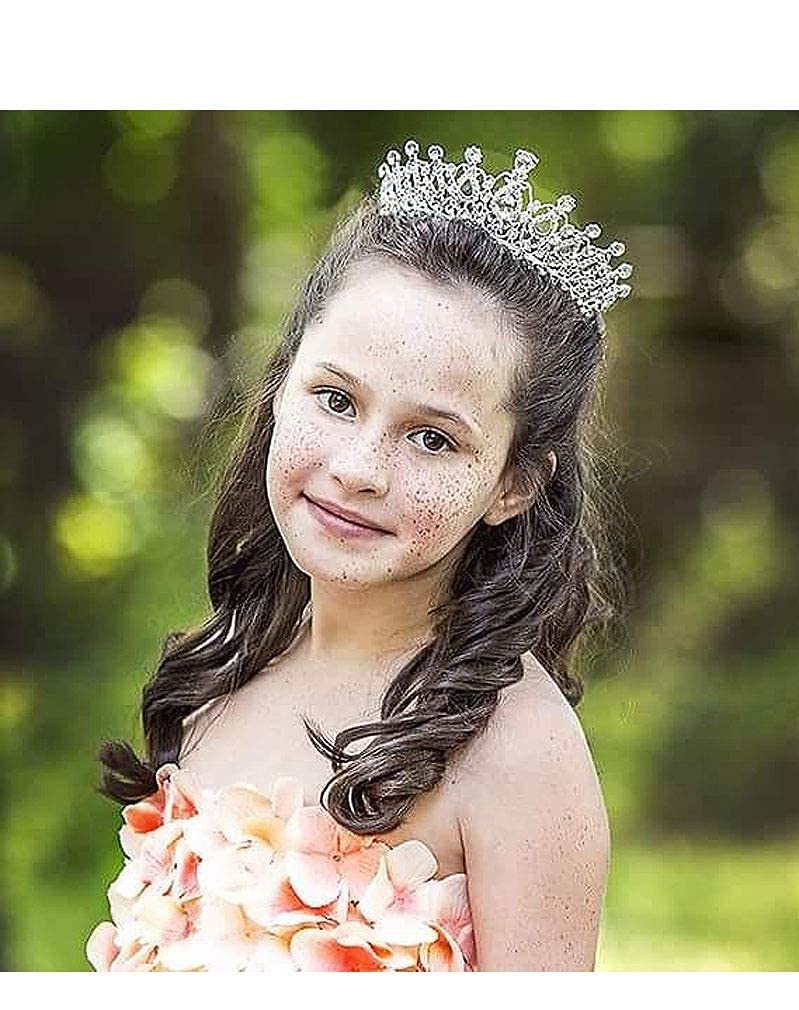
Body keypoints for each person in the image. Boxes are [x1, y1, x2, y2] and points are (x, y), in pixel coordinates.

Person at [86, 138, 634, 972]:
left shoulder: (516, 754)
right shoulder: (226, 669)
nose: (358, 469)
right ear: (281, 384)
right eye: (336, 399)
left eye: (431, 438)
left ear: (512, 485)